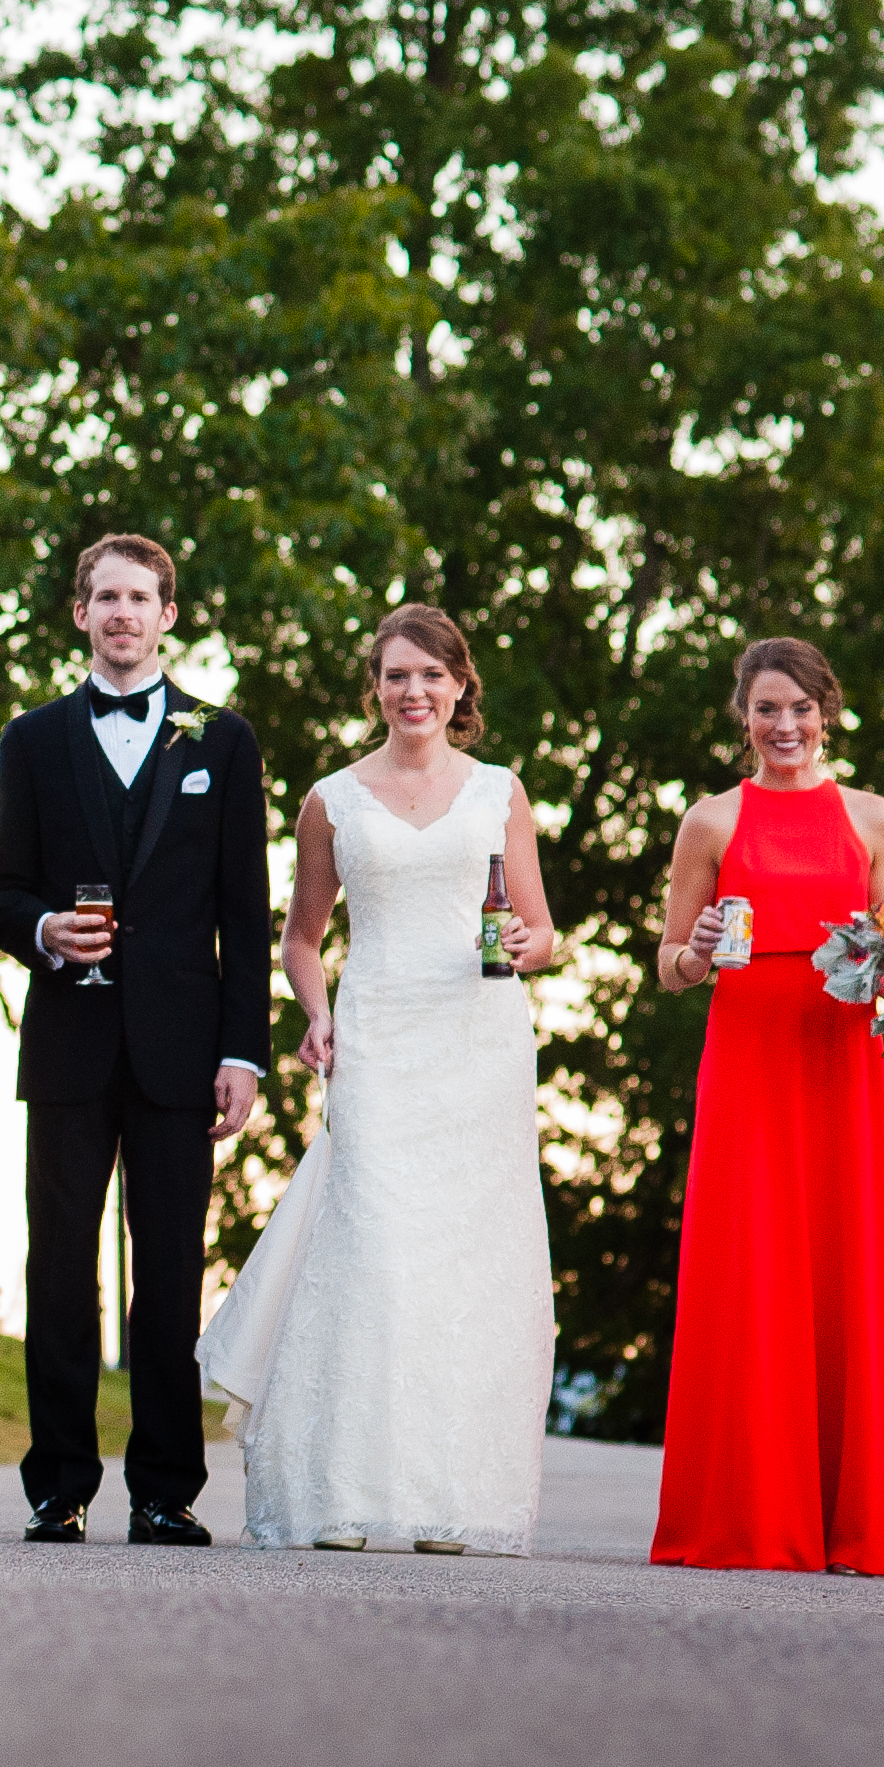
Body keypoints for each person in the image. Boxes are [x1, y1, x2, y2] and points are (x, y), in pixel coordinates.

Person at [196, 604, 560, 1554]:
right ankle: (342, 1492)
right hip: (378, 1039)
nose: (414, 691)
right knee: (374, 1256)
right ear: (376, 687)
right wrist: (317, 1013)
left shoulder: (499, 791)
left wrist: (527, 944)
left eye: (431, 675)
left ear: (459, 686)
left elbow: (542, 928)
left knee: (466, 1267)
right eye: (397, 675)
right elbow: (301, 939)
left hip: (478, 1047)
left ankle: (454, 1500)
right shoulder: (332, 798)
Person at [0, 534, 271, 1546]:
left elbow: (246, 908)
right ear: (79, 614)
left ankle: (165, 1491)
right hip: (66, 1044)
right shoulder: (33, 740)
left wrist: (245, 1052)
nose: (121, 613)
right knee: (57, 1267)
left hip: (182, 1051)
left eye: (139, 597)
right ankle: (58, 1487)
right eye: (104, 596)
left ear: (168, 615)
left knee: (170, 1272)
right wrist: (45, 932)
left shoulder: (221, 742)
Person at [646, 636, 884, 1576]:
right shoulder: (710, 822)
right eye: (766, 709)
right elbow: (670, 965)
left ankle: (852, 1527)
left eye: (799, 708)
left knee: (842, 1264)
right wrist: (701, 951)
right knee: (751, 1272)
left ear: (826, 710)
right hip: (749, 1060)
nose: (784, 726)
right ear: (742, 716)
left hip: (841, 1064)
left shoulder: (871, 817)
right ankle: (746, 1517)